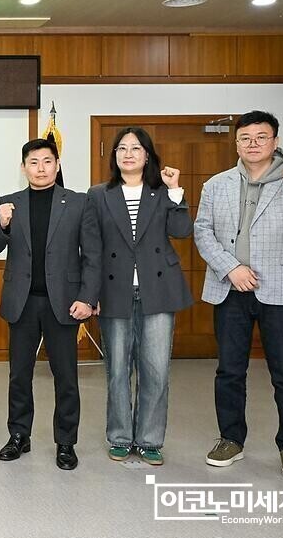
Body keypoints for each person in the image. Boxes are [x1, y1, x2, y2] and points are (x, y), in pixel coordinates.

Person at [194, 110, 283, 481]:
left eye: (261, 137)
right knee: (229, 371)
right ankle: (230, 440)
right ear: (236, 142)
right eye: (245, 138)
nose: (253, 144)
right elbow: (203, 231)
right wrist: (230, 268)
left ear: (275, 141)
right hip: (230, 289)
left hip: (281, 291)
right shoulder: (217, 184)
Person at [0, 138, 100, 471]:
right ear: (23, 168)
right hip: (22, 302)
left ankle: (66, 442)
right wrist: (3, 223)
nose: (40, 168)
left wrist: (87, 297)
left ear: (57, 164)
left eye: (47, 161)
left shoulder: (78, 202)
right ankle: (19, 435)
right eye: (33, 162)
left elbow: (92, 255)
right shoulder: (9, 203)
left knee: (66, 377)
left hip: (63, 303)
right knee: (19, 375)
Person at [87, 127, 192, 466]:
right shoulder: (98, 194)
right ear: (114, 156)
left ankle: (149, 440)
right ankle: (120, 437)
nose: (128, 154)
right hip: (114, 291)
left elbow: (181, 231)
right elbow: (92, 248)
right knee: (117, 371)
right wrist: (91, 293)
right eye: (122, 148)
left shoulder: (162, 192)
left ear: (147, 155)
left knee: (156, 370)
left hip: (157, 291)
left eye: (135, 148)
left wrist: (175, 191)